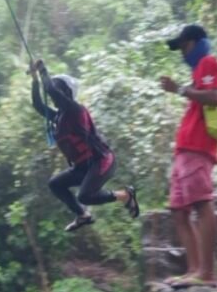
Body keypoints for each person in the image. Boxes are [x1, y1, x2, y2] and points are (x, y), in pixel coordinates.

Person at [29, 58, 139, 232]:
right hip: (83, 167)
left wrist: (42, 69)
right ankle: (82, 215)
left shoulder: (75, 110)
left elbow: (49, 89)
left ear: (66, 92)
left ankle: (125, 195)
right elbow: (37, 104)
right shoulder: (59, 117)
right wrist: (35, 79)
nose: (54, 93)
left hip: (101, 160)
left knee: (85, 195)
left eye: (59, 89)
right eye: (55, 88)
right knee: (55, 184)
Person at [159, 24, 217, 288]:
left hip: (198, 147)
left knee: (201, 203)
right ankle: (194, 270)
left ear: (197, 43)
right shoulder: (198, 72)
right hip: (185, 149)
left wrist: (180, 90)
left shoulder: (208, 63)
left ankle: (207, 274)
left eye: (184, 47)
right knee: (178, 211)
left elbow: (215, 97)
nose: (182, 53)